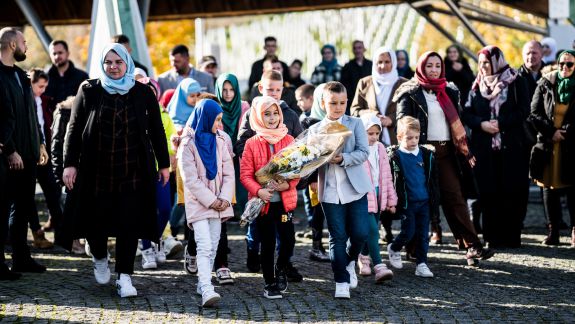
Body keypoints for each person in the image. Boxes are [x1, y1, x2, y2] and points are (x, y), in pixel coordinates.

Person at [62, 43, 170, 297]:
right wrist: (70, 163)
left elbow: (157, 129)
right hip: (96, 169)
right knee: (95, 220)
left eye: (118, 62)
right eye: (108, 62)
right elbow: (74, 128)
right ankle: (99, 255)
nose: (113, 67)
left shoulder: (143, 92)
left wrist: (163, 164)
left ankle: (125, 277)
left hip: (133, 170)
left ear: (127, 63)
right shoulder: (89, 90)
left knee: (129, 224)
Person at [394, 51, 494, 265]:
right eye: (429, 66)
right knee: (420, 201)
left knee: (455, 198)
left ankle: (472, 246)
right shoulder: (409, 92)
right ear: (421, 67)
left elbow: (457, 120)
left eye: (437, 66)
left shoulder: (449, 90)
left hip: (447, 152)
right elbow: (402, 123)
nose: (433, 70)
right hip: (420, 154)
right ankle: (413, 248)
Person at [236, 70, 303, 281]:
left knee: (288, 240)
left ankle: (282, 266)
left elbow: (298, 168)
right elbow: (245, 174)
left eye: (275, 114)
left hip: (284, 202)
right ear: (258, 116)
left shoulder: (289, 139)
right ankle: (270, 281)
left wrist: (289, 185)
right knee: (266, 242)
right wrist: (259, 190)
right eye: (267, 114)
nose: (272, 118)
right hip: (263, 201)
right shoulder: (252, 142)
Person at [463, 45, 529, 249]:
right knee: (488, 192)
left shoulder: (516, 80)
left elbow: (524, 110)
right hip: (485, 148)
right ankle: (491, 236)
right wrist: (481, 124)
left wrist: (501, 122)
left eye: (486, 63)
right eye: (480, 63)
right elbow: (466, 113)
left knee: (512, 191)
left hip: (512, 147)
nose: (483, 67)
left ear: (496, 62)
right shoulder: (477, 85)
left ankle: (511, 237)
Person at [309, 81, 370, 299]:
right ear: (323, 103)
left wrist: (343, 158)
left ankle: (350, 260)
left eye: (342, 103)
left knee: (361, 232)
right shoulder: (315, 130)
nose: (338, 107)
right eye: (333, 103)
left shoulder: (355, 124)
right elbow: (308, 161)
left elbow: (364, 152)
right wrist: (319, 159)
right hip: (330, 191)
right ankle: (341, 281)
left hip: (356, 189)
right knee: (337, 236)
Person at [0, 27, 48, 277]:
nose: (26, 46)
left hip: (28, 154)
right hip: (7, 157)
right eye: (23, 42)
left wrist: (39, 142)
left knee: (23, 207)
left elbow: (30, 114)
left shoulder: (20, 75)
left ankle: (21, 258)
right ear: (11, 46)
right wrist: (9, 150)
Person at [178, 98, 234, 307]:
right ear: (205, 118)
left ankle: (203, 283)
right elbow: (190, 179)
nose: (219, 124)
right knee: (203, 245)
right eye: (217, 119)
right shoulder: (188, 144)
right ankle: (206, 288)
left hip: (220, 204)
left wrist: (225, 199)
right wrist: (211, 201)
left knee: (214, 244)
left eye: (220, 120)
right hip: (200, 204)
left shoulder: (220, 142)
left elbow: (229, 173)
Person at [529, 50, 575, 247]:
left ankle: (574, 230)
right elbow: (534, 112)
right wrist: (551, 132)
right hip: (548, 145)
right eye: (562, 63)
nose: (565, 68)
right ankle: (553, 231)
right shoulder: (546, 82)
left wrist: (566, 132)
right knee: (549, 189)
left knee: (573, 190)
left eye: (570, 64)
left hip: (571, 145)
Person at [387, 116, 438, 277]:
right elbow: (392, 180)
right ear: (400, 137)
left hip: (424, 202)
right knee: (408, 232)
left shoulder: (426, 155)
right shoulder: (395, 157)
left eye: (416, 137)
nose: (414, 141)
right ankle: (394, 248)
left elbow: (432, 179)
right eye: (409, 138)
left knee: (423, 235)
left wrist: (434, 199)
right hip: (407, 203)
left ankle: (421, 264)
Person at [135, 77, 176, 270]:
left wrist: (163, 157)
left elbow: (169, 140)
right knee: (144, 210)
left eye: (152, 91)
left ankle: (157, 239)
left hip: (160, 170)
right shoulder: (133, 113)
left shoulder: (164, 116)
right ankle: (146, 249)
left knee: (165, 208)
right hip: (140, 170)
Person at [356, 113, 396, 282]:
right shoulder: (357, 148)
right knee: (372, 229)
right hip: (364, 195)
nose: (373, 137)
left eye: (376, 133)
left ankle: (363, 258)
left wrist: (391, 199)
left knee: (371, 229)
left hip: (379, 194)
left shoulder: (380, 148)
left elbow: (387, 174)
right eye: (369, 133)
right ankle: (379, 266)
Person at [350, 47, 408, 146]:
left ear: (393, 62)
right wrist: (373, 115)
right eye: (379, 62)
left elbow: (410, 111)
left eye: (387, 62)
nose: (383, 66)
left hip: (398, 139)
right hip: (369, 142)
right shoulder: (364, 83)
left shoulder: (404, 84)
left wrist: (392, 119)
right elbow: (354, 111)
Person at [49, 96, 85, 254]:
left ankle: (76, 241)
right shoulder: (64, 113)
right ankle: (71, 243)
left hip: (78, 168)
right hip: (65, 169)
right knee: (68, 208)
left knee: (77, 208)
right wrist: (58, 172)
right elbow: (56, 144)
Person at [30, 69, 61, 248]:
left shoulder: (44, 101)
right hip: (28, 153)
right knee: (27, 197)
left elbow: (45, 126)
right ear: (31, 83)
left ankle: (61, 231)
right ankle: (36, 233)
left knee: (52, 190)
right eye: (40, 86)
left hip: (44, 153)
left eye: (45, 87)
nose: (43, 90)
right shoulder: (26, 100)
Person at [44, 40, 89, 108]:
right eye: (54, 54)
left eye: (60, 53)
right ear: (50, 56)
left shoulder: (82, 77)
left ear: (67, 53)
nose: (57, 56)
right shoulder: (44, 78)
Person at [341, 40, 373, 112]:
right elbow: (344, 85)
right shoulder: (347, 66)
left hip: (369, 101)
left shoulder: (371, 65)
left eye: (359, 48)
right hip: (352, 102)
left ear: (364, 49)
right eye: (355, 48)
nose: (357, 50)